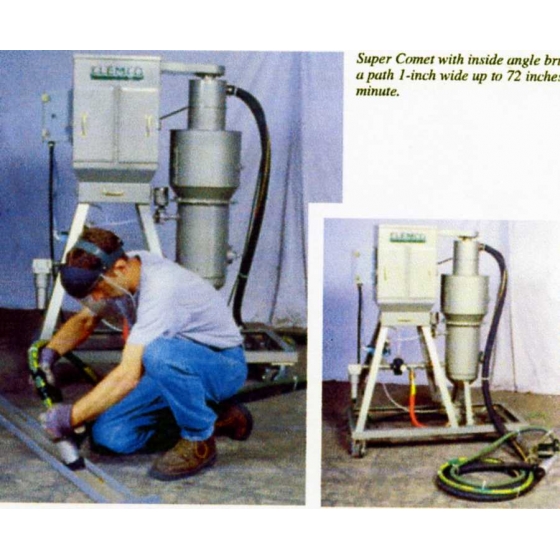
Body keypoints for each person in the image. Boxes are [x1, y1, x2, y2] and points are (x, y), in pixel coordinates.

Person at [36, 227, 252, 480]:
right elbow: (86, 319)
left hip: (222, 364)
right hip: (173, 364)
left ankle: (199, 439)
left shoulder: (160, 287)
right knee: (110, 436)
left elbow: (127, 377)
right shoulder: (125, 269)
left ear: (119, 268)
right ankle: (218, 419)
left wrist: (70, 417)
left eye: (98, 288)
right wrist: (49, 354)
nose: (96, 297)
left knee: (156, 352)